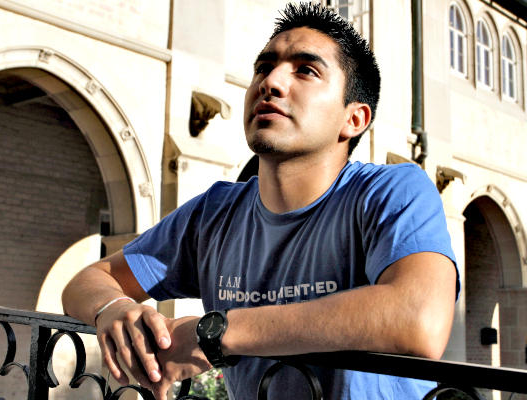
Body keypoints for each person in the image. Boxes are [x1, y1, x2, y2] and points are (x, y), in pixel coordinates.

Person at [62, 3, 458, 399]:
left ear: (353, 119)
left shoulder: (391, 191)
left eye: (306, 70)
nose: (271, 82)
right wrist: (111, 309)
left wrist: (215, 333)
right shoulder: (214, 213)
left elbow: (419, 319)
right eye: (263, 67)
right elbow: (88, 282)